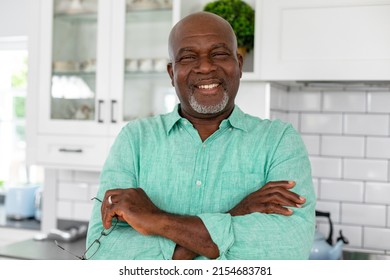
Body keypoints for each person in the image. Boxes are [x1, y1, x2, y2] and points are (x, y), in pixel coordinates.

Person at [86, 11, 316, 260]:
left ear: (239, 64)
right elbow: (102, 253)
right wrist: (238, 213)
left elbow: (288, 250)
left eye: (218, 53)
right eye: (188, 57)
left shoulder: (279, 140)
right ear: (172, 74)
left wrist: (155, 220)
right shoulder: (135, 139)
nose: (206, 66)